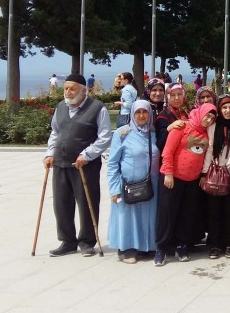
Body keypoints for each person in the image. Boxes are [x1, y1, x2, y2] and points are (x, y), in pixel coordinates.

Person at [44, 73, 112, 257]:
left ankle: (87, 241)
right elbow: (54, 133)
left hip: (85, 165)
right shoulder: (61, 107)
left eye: (72, 88)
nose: (67, 92)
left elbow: (105, 137)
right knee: (61, 203)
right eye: (66, 88)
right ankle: (67, 241)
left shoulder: (97, 108)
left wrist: (87, 154)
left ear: (84, 90)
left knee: (87, 202)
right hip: (60, 163)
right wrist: (50, 153)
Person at [155, 103, 217, 266]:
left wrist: (203, 175)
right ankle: (161, 248)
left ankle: (182, 245)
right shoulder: (182, 126)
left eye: (212, 118)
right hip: (173, 177)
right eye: (207, 116)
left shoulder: (207, 134)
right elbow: (167, 151)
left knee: (186, 215)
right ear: (200, 113)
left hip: (193, 180)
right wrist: (168, 173)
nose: (208, 119)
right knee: (167, 214)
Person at [107, 100, 158, 264]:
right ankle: (127, 249)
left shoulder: (153, 133)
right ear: (132, 114)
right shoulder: (122, 133)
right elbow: (113, 162)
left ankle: (147, 247)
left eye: (145, 112)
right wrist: (114, 189)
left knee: (148, 217)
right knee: (128, 218)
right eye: (138, 112)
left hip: (151, 184)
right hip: (129, 185)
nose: (142, 116)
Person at [203, 94, 230, 259]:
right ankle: (215, 244)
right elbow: (209, 150)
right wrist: (204, 173)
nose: (227, 110)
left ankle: (229, 243)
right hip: (215, 175)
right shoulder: (213, 126)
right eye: (224, 107)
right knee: (213, 212)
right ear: (219, 109)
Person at [155, 84, 189, 153]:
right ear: (167, 97)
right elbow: (160, 144)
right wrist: (169, 128)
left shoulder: (187, 113)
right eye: (173, 95)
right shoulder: (163, 117)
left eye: (179, 94)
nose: (177, 98)